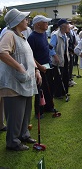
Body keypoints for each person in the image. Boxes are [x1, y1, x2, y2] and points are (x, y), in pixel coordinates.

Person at [0, 8, 42, 151]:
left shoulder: (22, 36)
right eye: (25, 19)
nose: (27, 20)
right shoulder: (9, 34)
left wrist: (36, 70)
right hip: (14, 83)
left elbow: (29, 58)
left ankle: (23, 134)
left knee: (25, 112)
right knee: (16, 115)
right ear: (17, 21)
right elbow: (2, 52)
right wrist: (19, 67)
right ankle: (12, 141)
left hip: (25, 82)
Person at [28, 15, 57, 118]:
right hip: (39, 68)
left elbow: (46, 47)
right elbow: (30, 56)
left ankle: (48, 106)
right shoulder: (32, 38)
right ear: (38, 24)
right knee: (40, 90)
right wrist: (39, 67)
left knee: (49, 87)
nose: (47, 24)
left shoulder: (44, 34)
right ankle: (39, 111)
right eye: (45, 22)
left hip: (48, 65)